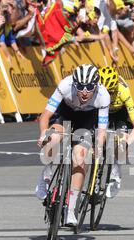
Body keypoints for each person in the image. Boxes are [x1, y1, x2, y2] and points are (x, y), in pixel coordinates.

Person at [36, 64, 110, 226]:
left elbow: (102, 131)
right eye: (80, 86)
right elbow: (45, 116)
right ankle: (45, 177)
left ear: (96, 85)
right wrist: (43, 134)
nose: (84, 91)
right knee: (52, 139)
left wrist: (98, 147)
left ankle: (71, 210)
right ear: (74, 83)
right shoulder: (65, 85)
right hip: (65, 113)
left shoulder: (103, 96)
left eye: (89, 87)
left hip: (86, 119)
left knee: (80, 159)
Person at [98, 66, 134, 198]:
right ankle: (95, 174)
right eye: (104, 92)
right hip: (101, 111)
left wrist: (126, 143)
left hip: (119, 112)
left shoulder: (123, 91)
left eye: (110, 92)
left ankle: (116, 176)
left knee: (120, 144)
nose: (108, 95)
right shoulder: (95, 91)